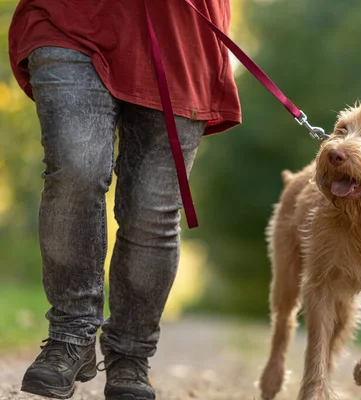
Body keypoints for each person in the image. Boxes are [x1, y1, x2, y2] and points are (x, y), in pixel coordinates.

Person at [8, 1, 241, 399]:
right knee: (75, 169)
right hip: (72, 18)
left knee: (152, 210)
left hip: (180, 34)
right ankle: (70, 335)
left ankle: (130, 355)